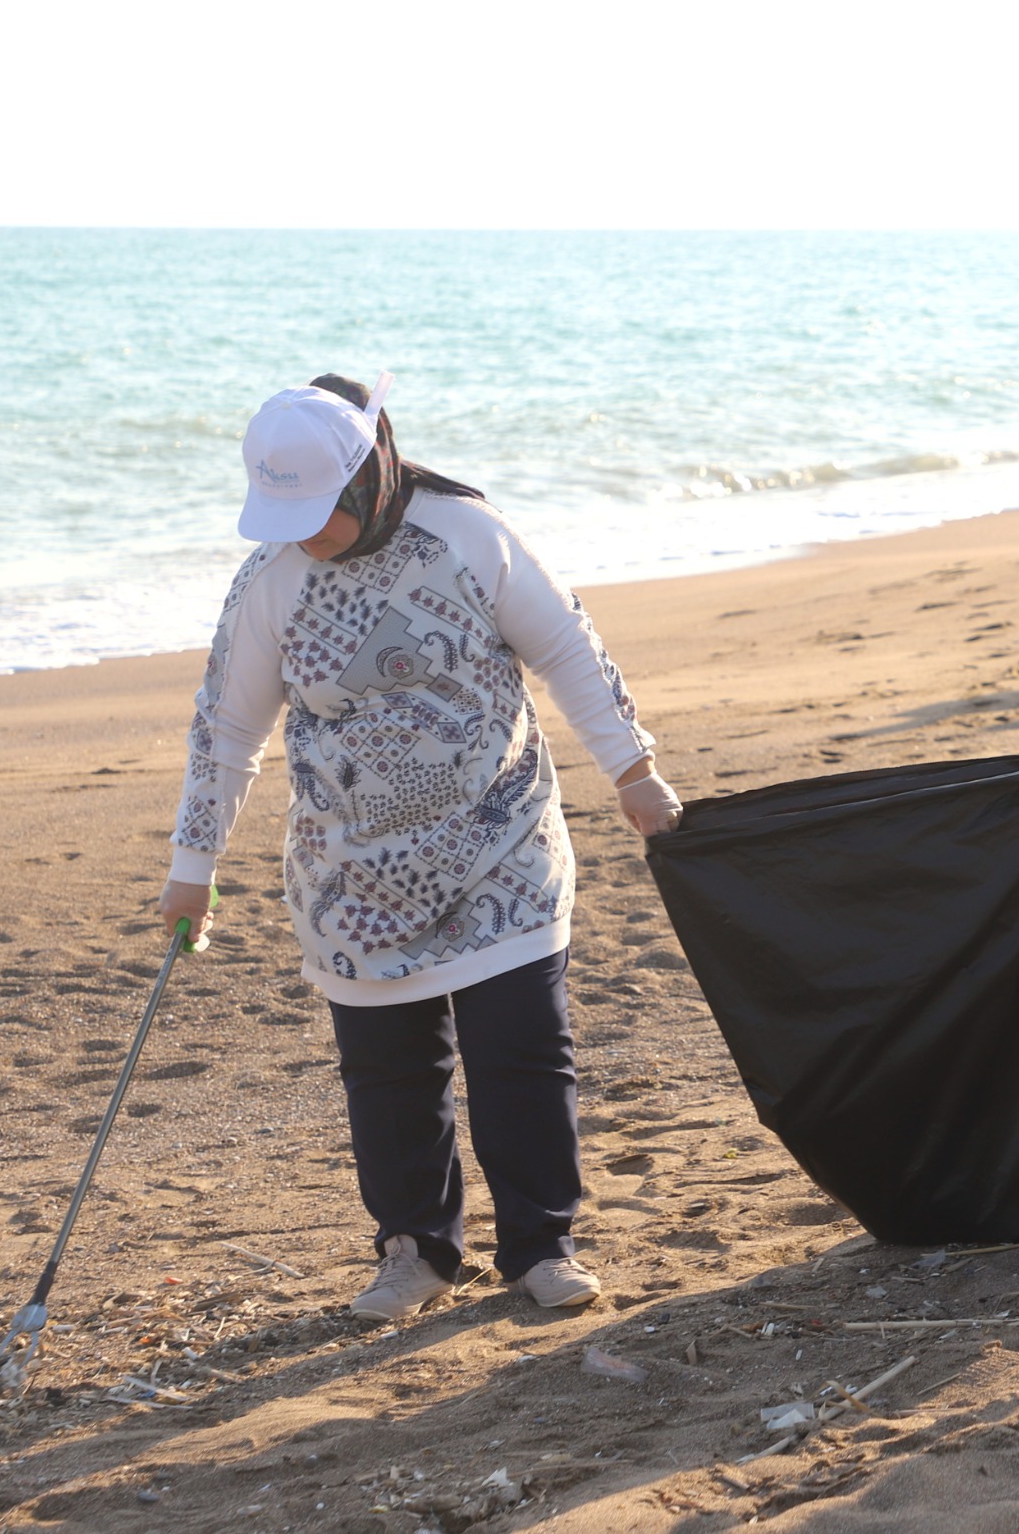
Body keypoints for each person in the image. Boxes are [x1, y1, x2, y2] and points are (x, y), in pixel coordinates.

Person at [159, 375, 681, 1323]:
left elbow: (567, 648)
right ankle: (416, 1253)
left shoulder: (467, 535)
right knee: (390, 1074)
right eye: (286, 516)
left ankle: (542, 1246)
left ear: (368, 476)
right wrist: (193, 871)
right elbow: (226, 732)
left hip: (501, 850)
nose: (306, 534)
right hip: (352, 879)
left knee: (522, 1054)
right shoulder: (271, 582)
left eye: (319, 512)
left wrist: (632, 769)